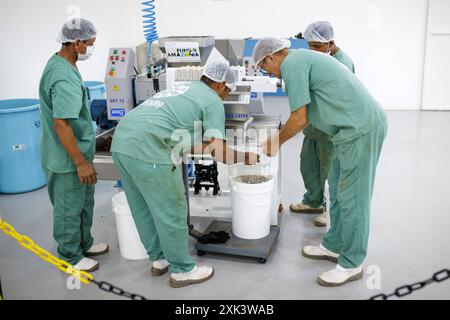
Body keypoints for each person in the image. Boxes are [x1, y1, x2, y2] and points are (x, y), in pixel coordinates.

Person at [111, 62, 259, 288]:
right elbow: (219, 152)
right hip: (150, 150)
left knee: (142, 207)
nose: (225, 96)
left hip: (122, 142)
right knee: (172, 209)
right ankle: (182, 271)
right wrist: (244, 157)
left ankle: (159, 259)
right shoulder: (211, 100)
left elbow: (186, 144)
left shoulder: (183, 88)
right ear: (220, 85)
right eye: (228, 91)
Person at [253, 38, 387, 286]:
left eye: (264, 68)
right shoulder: (301, 59)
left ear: (271, 58)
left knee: (354, 197)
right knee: (337, 189)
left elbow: (299, 117)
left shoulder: (292, 64)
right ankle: (334, 244)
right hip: (343, 133)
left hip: (360, 130)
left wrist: (276, 141)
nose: (267, 72)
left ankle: (352, 262)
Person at [39, 18, 109, 272]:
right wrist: (80, 162)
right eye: (90, 43)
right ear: (76, 42)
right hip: (68, 159)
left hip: (78, 152)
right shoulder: (63, 77)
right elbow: (61, 124)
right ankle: (70, 256)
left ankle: (84, 243)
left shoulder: (63, 62)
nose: (91, 48)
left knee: (84, 202)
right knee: (69, 208)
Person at [290, 21, 356, 227]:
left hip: (330, 129)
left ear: (331, 43)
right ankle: (313, 201)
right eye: (310, 46)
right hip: (313, 127)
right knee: (309, 165)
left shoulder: (342, 63)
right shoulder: (315, 59)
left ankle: (330, 211)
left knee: (330, 172)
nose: (313, 51)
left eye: (317, 47)